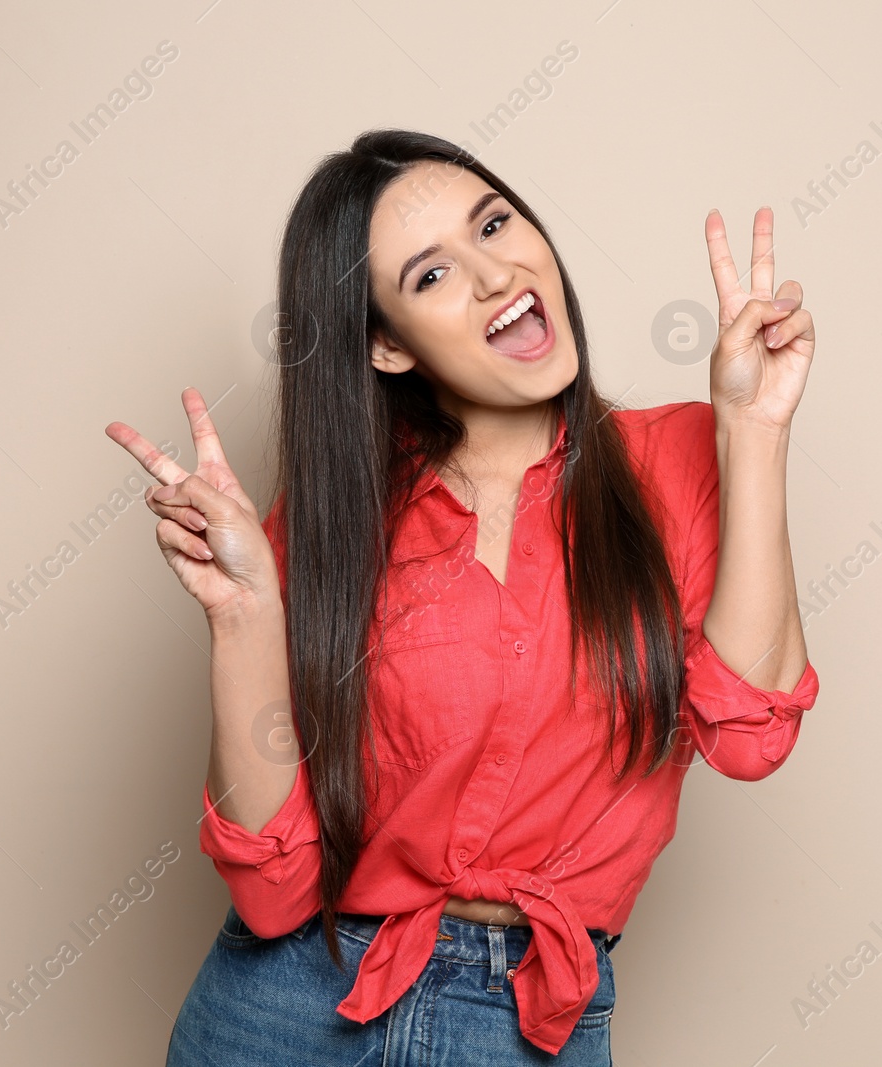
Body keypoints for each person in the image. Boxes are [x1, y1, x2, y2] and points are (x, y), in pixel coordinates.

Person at [105, 128, 820, 1065]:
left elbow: (750, 734)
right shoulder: (333, 525)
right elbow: (273, 892)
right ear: (388, 346)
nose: (494, 274)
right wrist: (240, 612)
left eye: (493, 223)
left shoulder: (680, 461)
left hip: (526, 1021)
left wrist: (754, 431)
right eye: (432, 276)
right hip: (287, 1007)